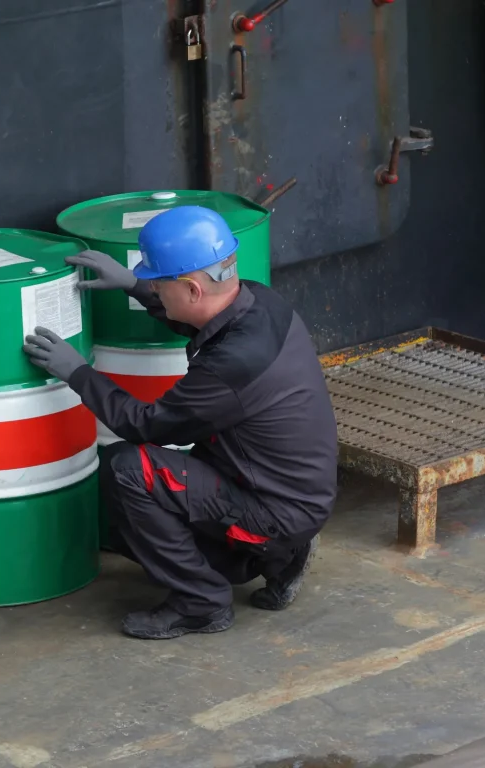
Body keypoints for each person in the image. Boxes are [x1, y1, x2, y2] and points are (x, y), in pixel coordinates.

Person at [22, 205, 338, 640]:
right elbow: (201, 323)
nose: (152, 285)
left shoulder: (232, 367)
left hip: (274, 510)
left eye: (157, 280)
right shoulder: (260, 301)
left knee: (129, 471)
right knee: (144, 512)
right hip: (291, 489)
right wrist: (136, 287)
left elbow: (145, 425)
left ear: (191, 287)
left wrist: (77, 372)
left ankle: (201, 603)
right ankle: (281, 556)